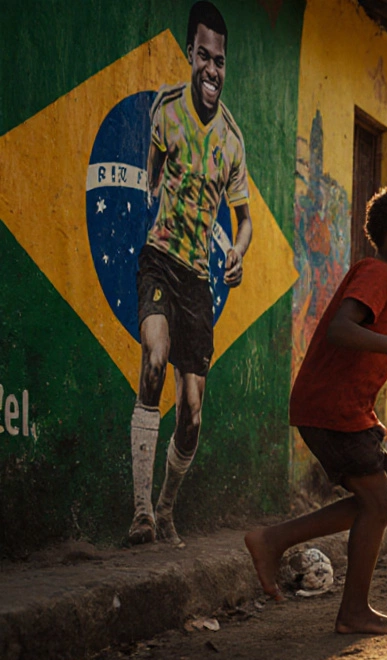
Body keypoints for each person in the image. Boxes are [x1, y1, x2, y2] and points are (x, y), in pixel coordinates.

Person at [245, 185, 387, 635]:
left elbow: (357, 332)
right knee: (378, 502)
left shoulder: (380, 278)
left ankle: (273, 540)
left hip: (341, 408)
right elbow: (340, 329)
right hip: (332, 407)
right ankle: (353, 611)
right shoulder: (376, 272)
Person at [129, 1, 252, 545]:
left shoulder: (232, 139)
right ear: (189, 55)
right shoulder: (165, 111)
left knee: (194, 411)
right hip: (159, 259)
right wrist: (158, 198)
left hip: (198, 280)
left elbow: (243, 218)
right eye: (203, 56)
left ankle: (167, 506)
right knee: (153, 359)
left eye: (219, 60)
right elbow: (153, 175)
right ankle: (140, 514)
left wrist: (240, 251)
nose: (211, 69)